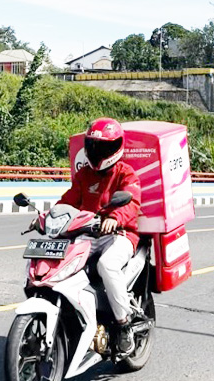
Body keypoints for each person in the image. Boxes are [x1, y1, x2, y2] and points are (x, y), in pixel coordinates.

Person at [57, 117, 142, 354]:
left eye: (102, 147)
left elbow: (132, 202)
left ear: (116, 147)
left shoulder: (125, 173)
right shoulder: (84, 175)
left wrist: (115, 218)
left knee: (107, 264)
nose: (96, 151)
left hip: (121, 234)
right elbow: (68, 201)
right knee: (63, 263)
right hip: (88, 235)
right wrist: (48, 217)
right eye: (93, 146)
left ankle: (124, 324)